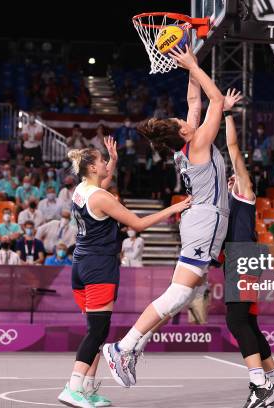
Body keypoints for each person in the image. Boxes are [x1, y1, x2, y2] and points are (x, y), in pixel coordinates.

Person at [102, 45, 229, 390]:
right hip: (204, 224)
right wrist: (193, 66)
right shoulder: (198, 143)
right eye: (180, 122)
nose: (183, 118)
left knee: (187, 295)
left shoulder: (186, 145)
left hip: (199, 221)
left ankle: (133, 347)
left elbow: (194, 102)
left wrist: (193, 64)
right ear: (184, 132)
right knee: (176, 295)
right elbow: (213, 102)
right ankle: (122, 346)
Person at [56, 146, 190, 408]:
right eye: (102, 161)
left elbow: (101, 187)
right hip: (99, 267)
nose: (106, 163)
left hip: (81, 266)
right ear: (92, 167)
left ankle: (87, 388)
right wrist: (177, 207)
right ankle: (72, 388)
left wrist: (113, 162)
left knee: (97, 330)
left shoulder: (82, 189)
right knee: (97, 332)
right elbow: (138, 224)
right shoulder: (102, 197)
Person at [223, 89, 274, 407]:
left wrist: (226, 114)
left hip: (245, 258)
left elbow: (233, 148)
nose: (228, 181)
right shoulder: (228, 207)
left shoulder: (245, 192)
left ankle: (259, 385)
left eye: (231, 178)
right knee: (247, 322)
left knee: (237, 322)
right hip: (241, 259)